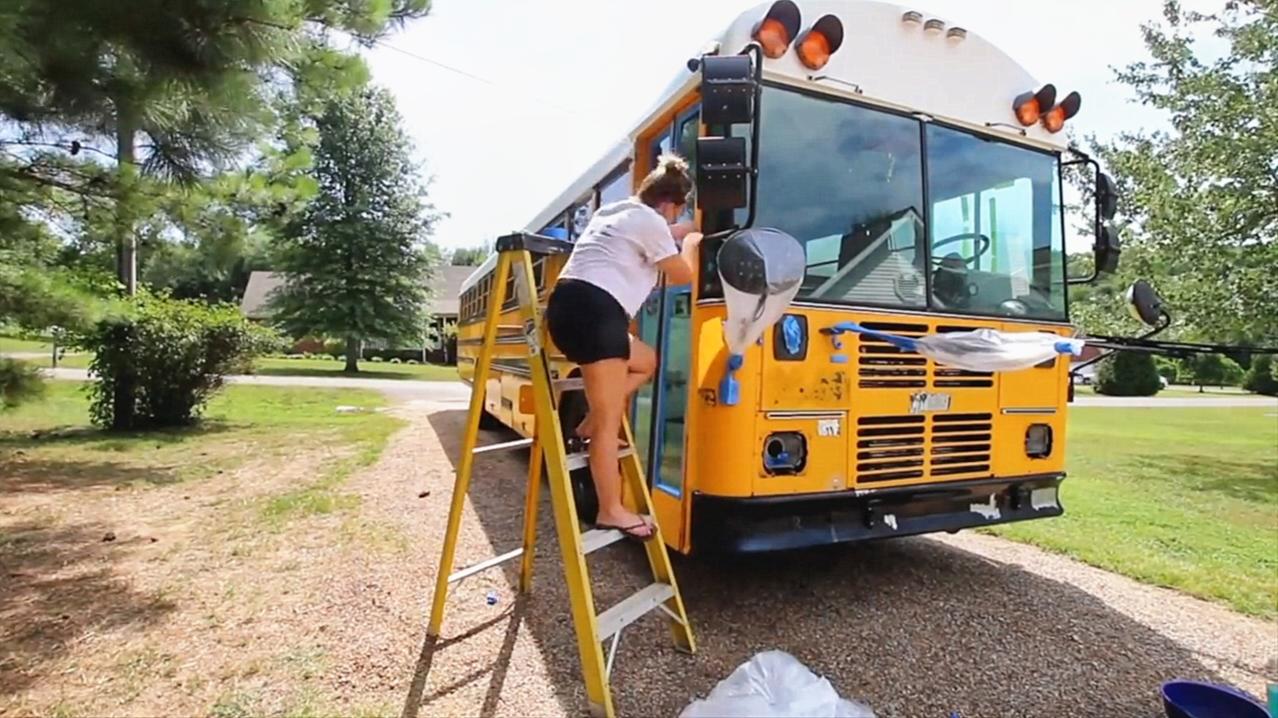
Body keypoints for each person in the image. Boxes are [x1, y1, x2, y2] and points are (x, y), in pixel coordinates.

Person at [545, 154, 703, 541]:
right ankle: (610, 509)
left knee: (646, 361)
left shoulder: (618, 211)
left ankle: (587, 423)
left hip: (573, 307)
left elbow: (664, 230)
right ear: (669, 205)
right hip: (597, 313)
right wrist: (694, 243)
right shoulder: (651, 223)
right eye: (674, 215)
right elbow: (683, 274)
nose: (672, 223)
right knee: (610, 418)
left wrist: (687, 228)